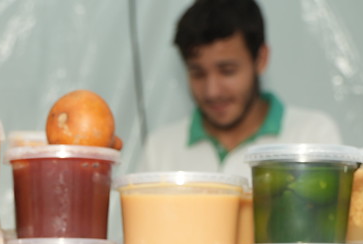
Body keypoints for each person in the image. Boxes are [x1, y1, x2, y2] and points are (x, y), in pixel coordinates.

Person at [137, 0, 342, 178]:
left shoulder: (311, 136)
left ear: (261, 59)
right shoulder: (160, 149)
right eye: (197, 73)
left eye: (227, 71)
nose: (212, 91)